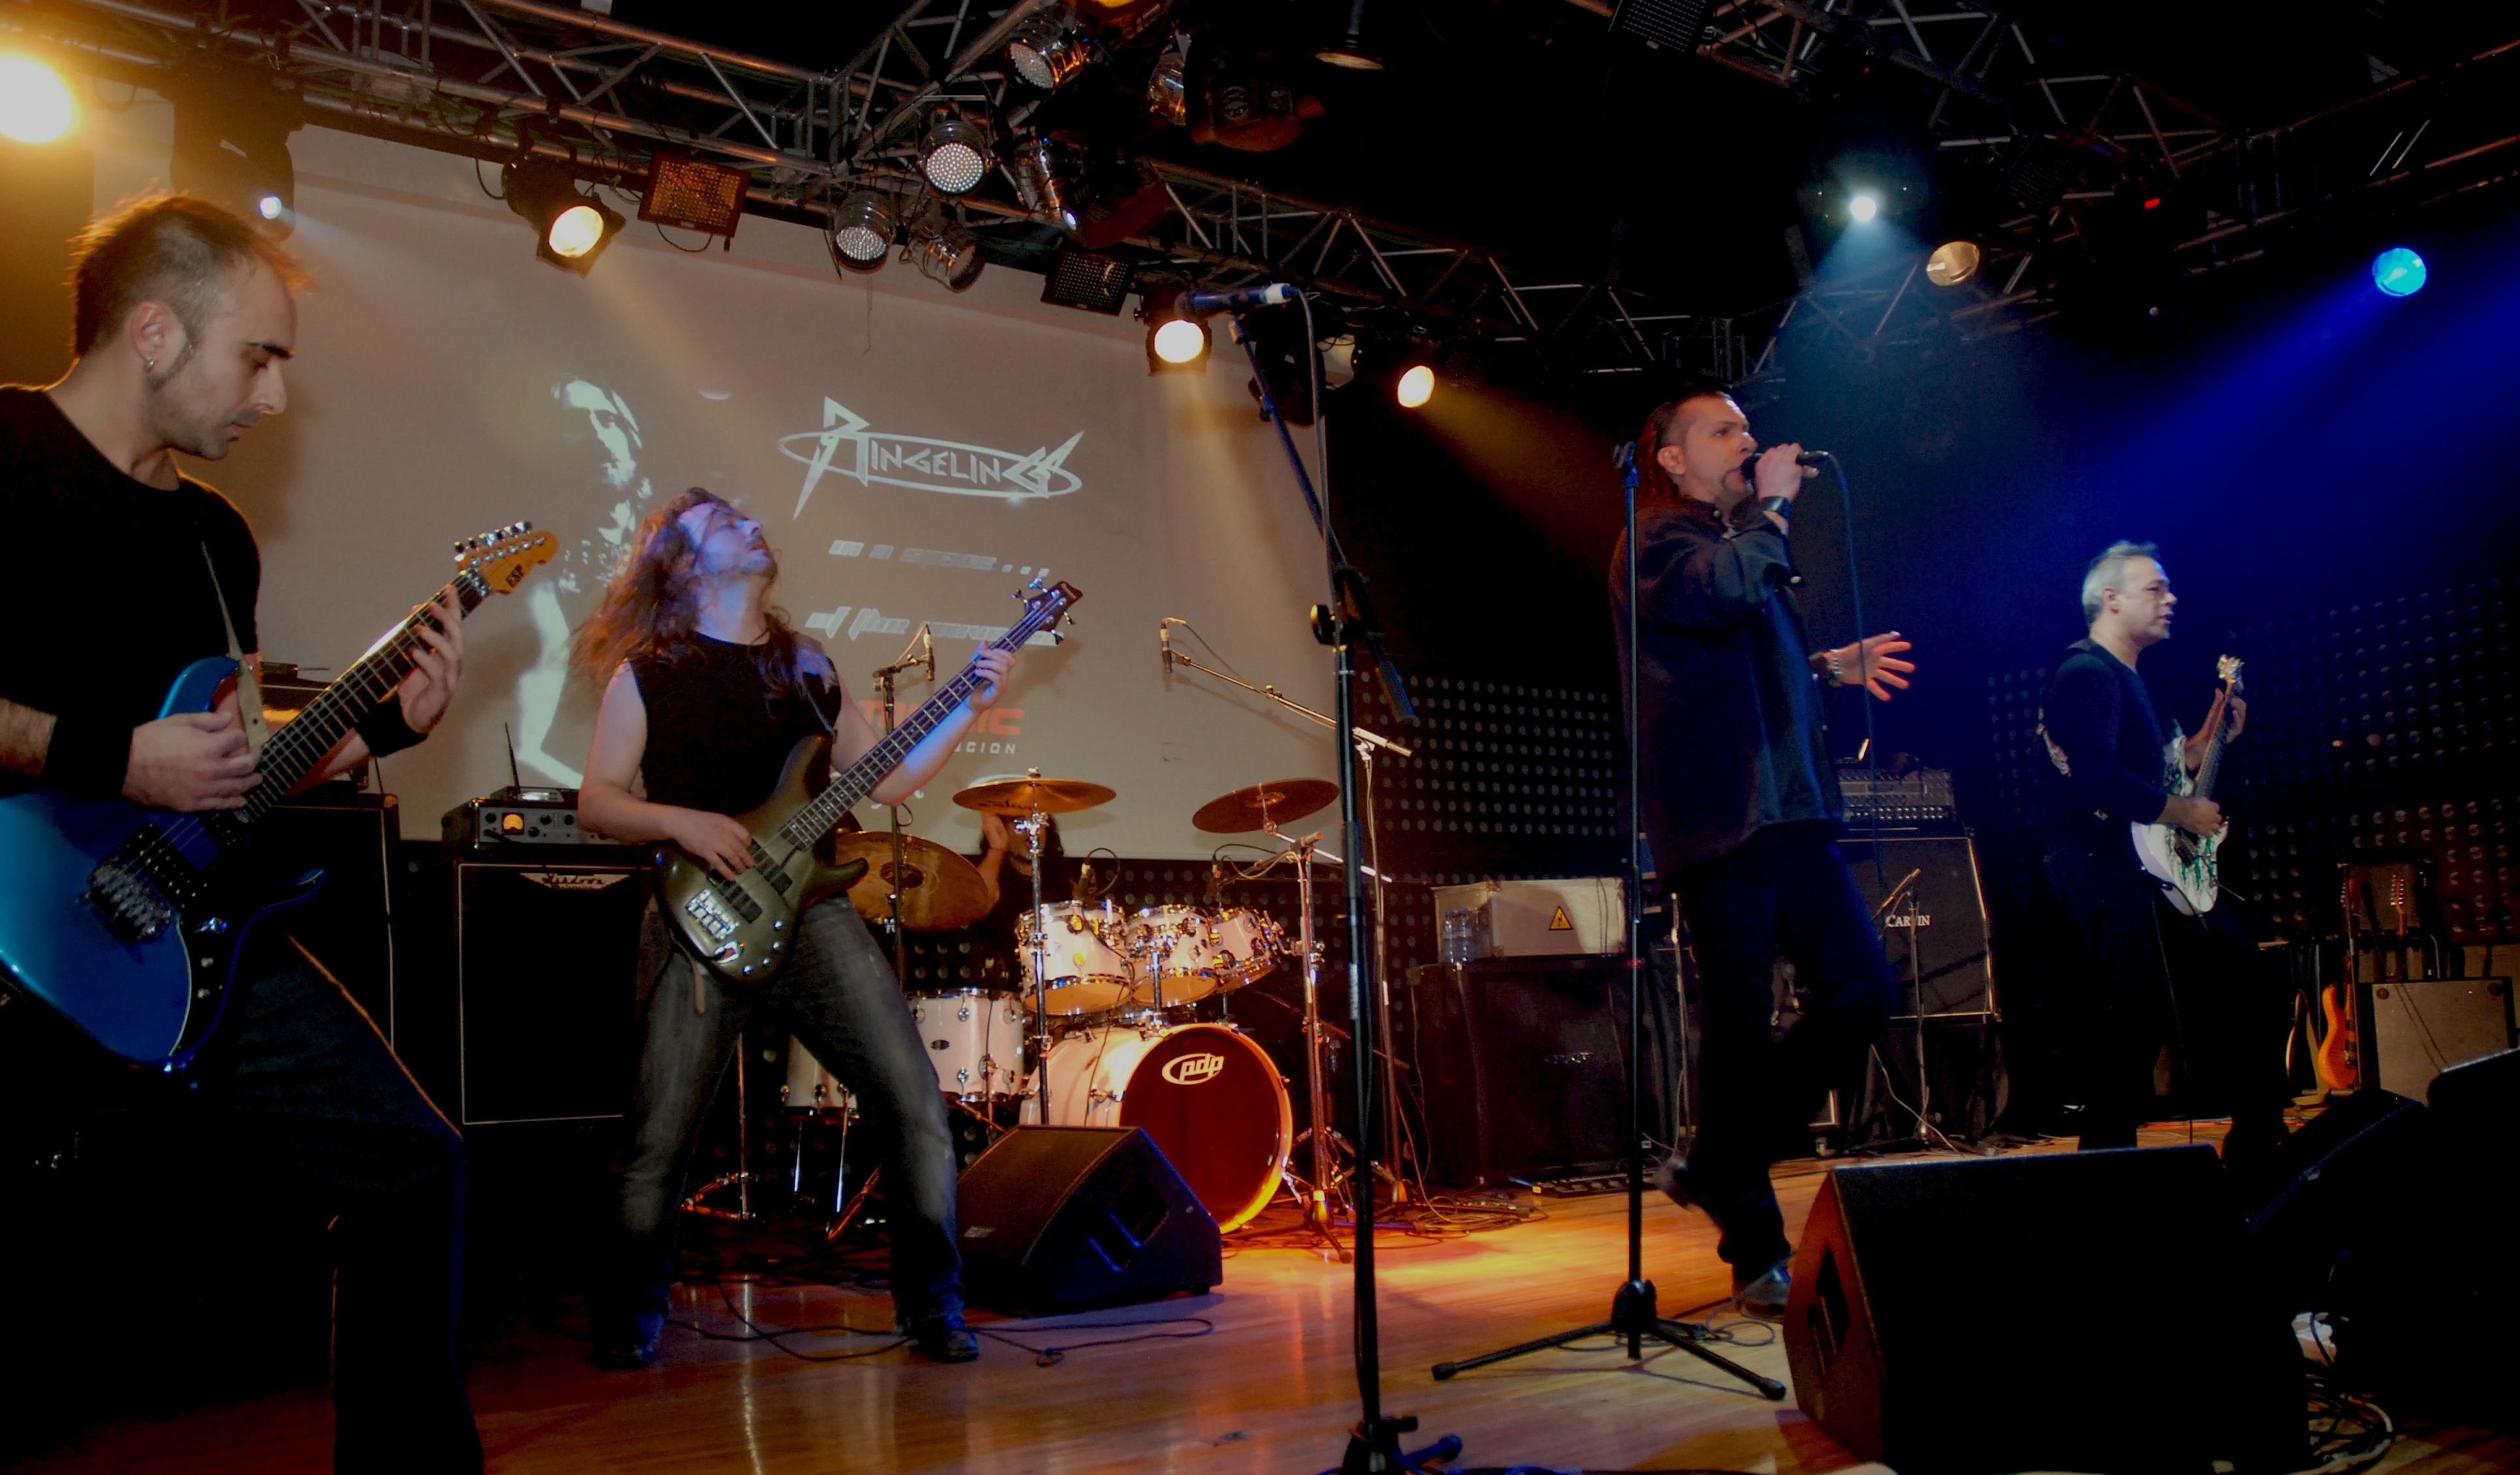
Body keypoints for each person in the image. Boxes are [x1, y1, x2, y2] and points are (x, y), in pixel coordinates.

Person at [0, 196, 479, 1471]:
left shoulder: (215, 537)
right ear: (154, 332)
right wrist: (112, 758)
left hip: (178, 919)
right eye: (258, 356)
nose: (273, 395)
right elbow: (134, 758)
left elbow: (229, 768)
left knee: (414, 1165)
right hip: (9, 916)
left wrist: (383, 732)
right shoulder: (2, 451)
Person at [574, 487, 1016, 1367]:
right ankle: (628, 1320)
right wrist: (680, 821)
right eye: (725, 521)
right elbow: (597, 801)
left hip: (814, 913)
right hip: (702, 916)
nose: (752, 522)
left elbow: (887, 780)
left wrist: (970, 702)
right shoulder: (648, 671)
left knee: (914, 1102)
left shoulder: (809, 665)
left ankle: (935, 1305)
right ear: (682, 564)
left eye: (749, 514)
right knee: (659, 1140)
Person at [1610, 382, 1914, 1321]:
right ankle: (1754, 1248)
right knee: (1737, 1019)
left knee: (1861, 990)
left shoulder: (1738, 539)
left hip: (1792, 810)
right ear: (1672, 457)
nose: (1748, 441)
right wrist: (1773, 506)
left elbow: (1732, 657)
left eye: (1747, 427)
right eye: (1723, 429)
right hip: (1720, 818)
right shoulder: (1658, 538)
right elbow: (1719, 594)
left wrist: (1823, 667)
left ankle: (1721, 1156)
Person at [2036, 541, 2289, 1166]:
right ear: (2111, 599)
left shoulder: (2131, 680)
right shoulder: (2085, 672)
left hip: (2148, 862)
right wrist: (2183, 812)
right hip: (2099, 860)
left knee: (2252, 984)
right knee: (2135, 1013)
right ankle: (2106, 1167)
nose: (2170, 599)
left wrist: (2206, 741)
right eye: (2155, 588)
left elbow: (2157, 770)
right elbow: (2095, 777)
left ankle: (2257, 1145)